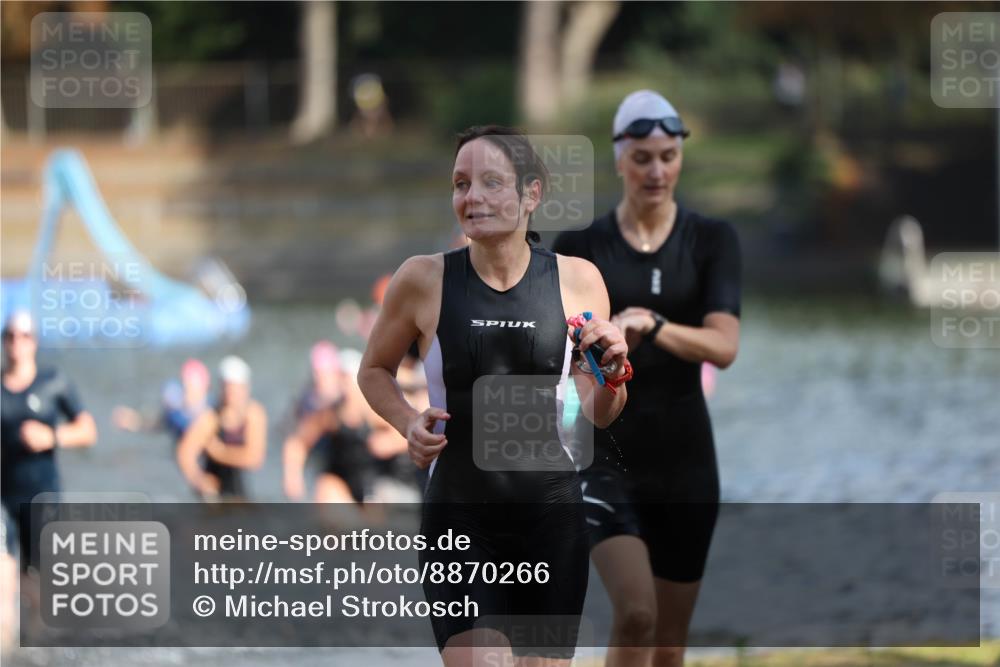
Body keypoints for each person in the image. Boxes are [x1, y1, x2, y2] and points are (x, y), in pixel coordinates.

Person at [359, 125, 631, 666]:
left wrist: (616, 373)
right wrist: (407, 421)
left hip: (550, 517)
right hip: (460, 519)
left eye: (490, 183)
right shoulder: (422, 279)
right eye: (461, 184)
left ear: (531, 194)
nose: (472, 197)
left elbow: (599, 415)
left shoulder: (578, 282)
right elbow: (374, 371)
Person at [552, 90, 741, 667]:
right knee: (636, 615)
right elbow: (556, 355)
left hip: (687, 456)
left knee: (668, 640)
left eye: (668, 156)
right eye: (642, 158)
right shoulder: (581, 249)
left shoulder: (710, 240)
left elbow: (724, 346)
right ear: (618, 159)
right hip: (604, 452)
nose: (656, 171)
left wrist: (652, 325)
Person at [1, 310, 97, 645]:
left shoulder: (54, 382)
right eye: (11, 336)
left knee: (38, 586)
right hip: (3, 499)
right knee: (3, 585)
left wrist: (51, 436)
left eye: (25, 336)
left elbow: (88, 431)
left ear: (35, 342)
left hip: (43, 497)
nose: (17, 343)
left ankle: (38, 651)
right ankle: (6, 651)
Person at [284, 342, 378, 503]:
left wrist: (387, 442)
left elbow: (404, 432)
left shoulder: (375, 411)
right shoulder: (330, 415)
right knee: (325, 489)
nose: (344, 385)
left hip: (374, 486)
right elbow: (296, 443)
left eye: (347, 379)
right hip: (340, 484)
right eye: (341, 378)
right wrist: (292, 477)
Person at [177, 356, 267, 501]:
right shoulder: (211, 417)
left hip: (241, 490)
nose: (231, 394)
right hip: (214, 491)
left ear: (245, 388)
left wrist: (220, 453)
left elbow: (255, 459)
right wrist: (198, 479)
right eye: (228, 388)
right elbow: (185, 453)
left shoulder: (254, 414)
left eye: (236, 388)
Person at [112, 358, 210, 444]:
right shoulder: (177, 413)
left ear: (204, 386)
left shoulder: (212, 408)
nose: (186, 388)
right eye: (184, 383)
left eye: (191, 384)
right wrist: (132, 420)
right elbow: (157, 423)